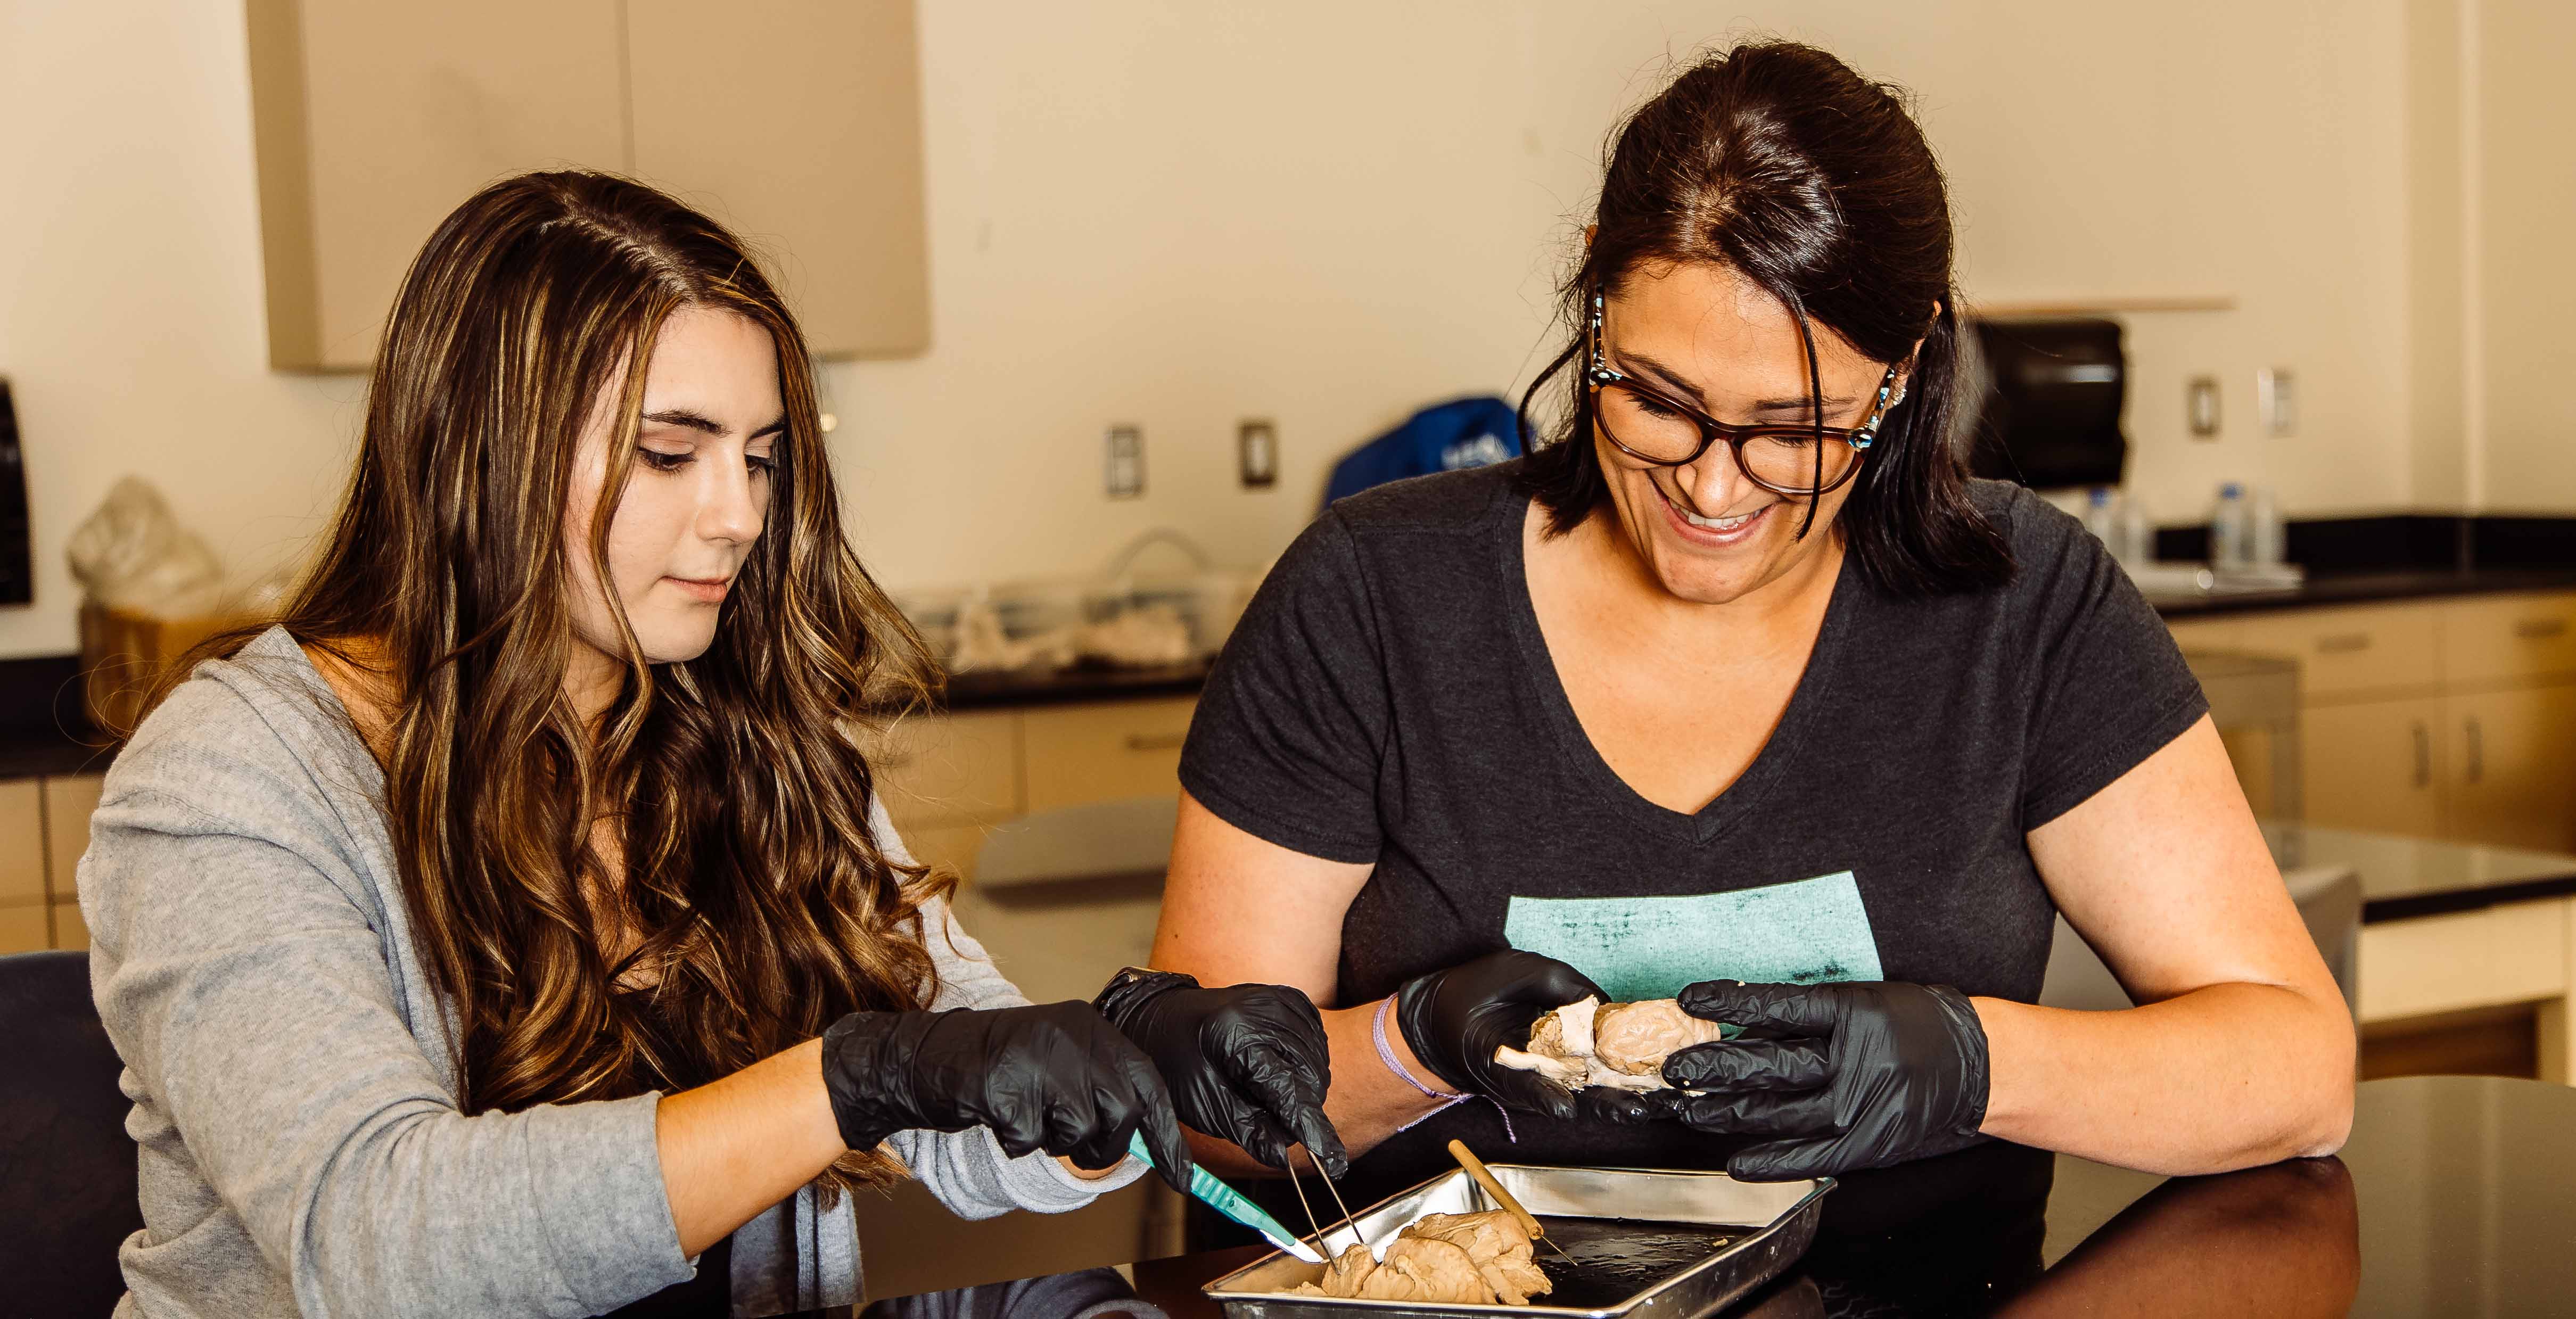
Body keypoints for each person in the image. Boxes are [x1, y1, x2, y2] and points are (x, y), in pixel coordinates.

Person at [79, 171, 1337, 1318]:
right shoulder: (233, 781)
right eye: (669, 454)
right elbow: (379, 1244)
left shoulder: (742, 729)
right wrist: (845, 1082)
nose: (739, 515)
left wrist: (1127, 1067)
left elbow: (952, 1082)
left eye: (762, 459)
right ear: (483, 455)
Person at [1151, 40, 2356, 1216]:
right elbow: (1202, 1111)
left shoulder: (2020, 602)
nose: (1713, 489)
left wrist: (1976, 1065)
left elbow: (2299, 1072)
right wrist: (1413, 1047)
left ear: (1905, 365)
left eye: (1796, 429)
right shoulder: (1369, 600)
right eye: (1658, 400)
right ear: (1595, 300)